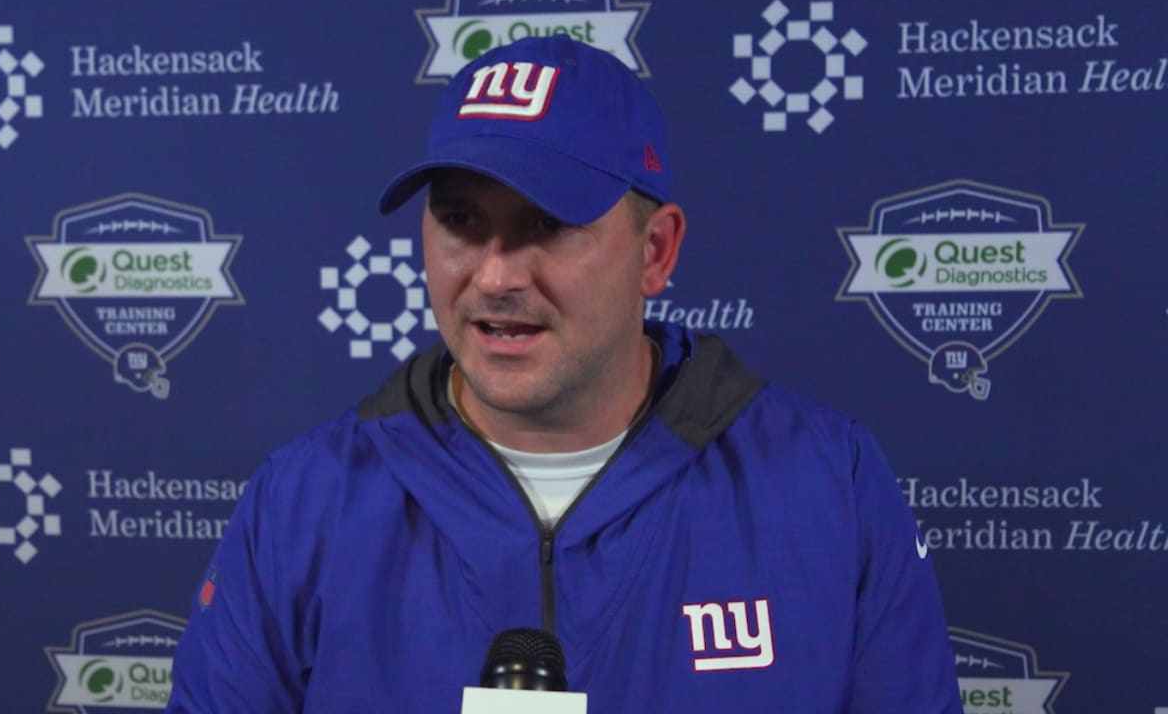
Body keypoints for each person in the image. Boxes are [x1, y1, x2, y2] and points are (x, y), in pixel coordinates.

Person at [166, 35, 962, 713]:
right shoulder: (302, 501)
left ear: (656, 252)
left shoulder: (829, 483)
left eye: (546, 223)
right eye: (460, 221)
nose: (496, 275)